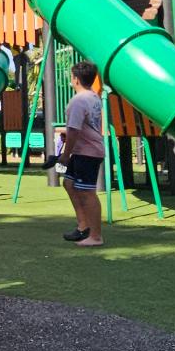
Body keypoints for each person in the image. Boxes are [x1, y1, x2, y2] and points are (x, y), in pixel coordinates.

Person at [60, 60, 108, 248]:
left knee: (87, 192)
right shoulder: (93, 96)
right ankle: (83, 226)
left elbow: (74, 130)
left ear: (76, 79)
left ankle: (95, 236)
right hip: (87, 149)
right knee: (69, 183)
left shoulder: (78, 101)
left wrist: (65, 155)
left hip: (87, 152)